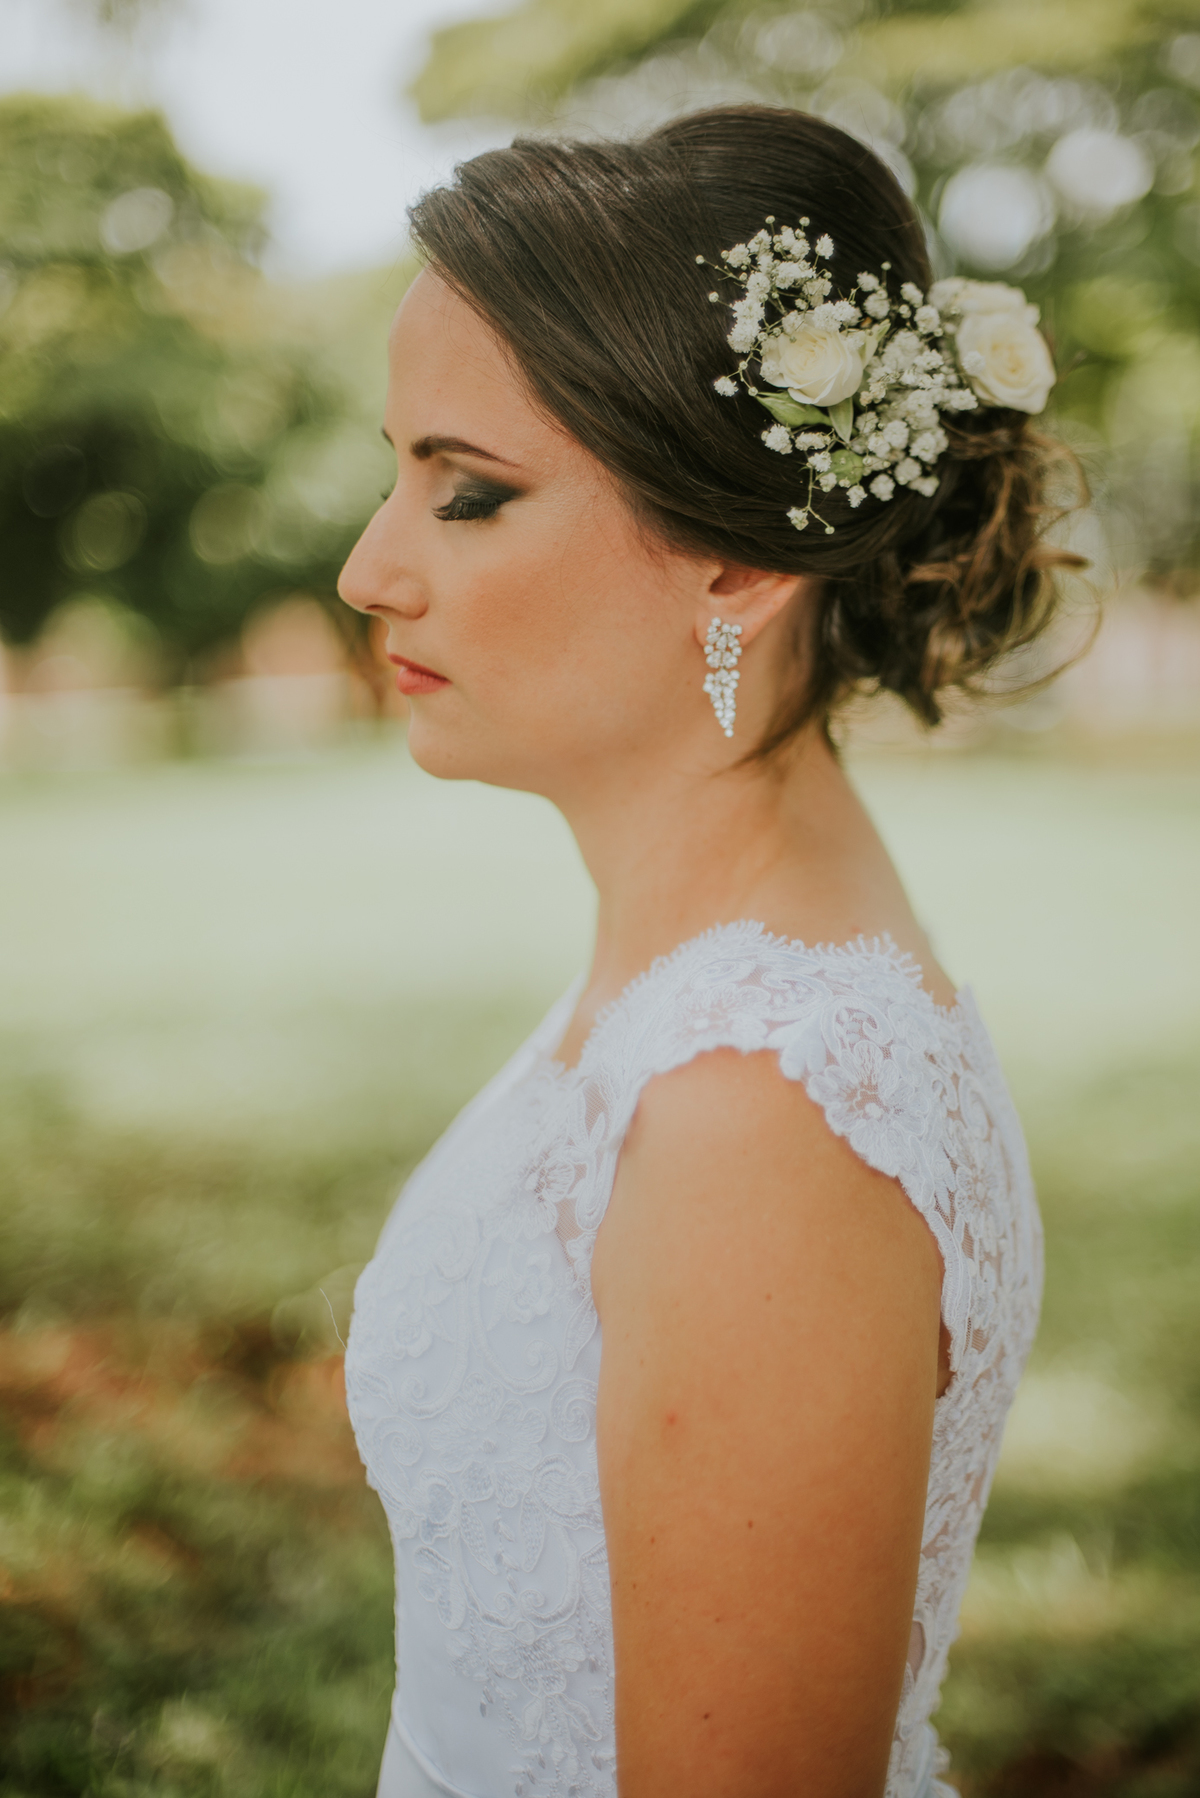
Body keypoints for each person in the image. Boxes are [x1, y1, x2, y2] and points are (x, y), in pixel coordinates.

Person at [338, 105, 1074, 1798]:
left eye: (466, 494)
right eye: (397, 474)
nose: (371, 567)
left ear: (736, 561)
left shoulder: (763, 1109)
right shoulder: (699, 963)